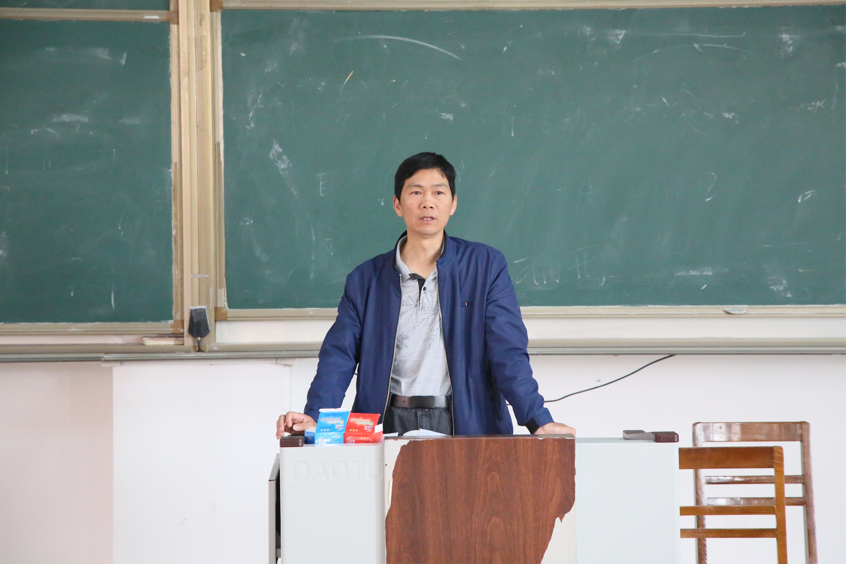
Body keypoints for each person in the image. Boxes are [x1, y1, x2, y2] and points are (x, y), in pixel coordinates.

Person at [277, 152, 575, 438]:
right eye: (416, 192)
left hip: (467, 422)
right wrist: (314, 415)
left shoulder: (485, 266)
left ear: (453, 203)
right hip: (385, 421)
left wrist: (538, 420)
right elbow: (338, 356)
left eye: (438, 193)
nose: (427, 203)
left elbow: (507, 352)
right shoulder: (366, 279)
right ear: (397, 204)